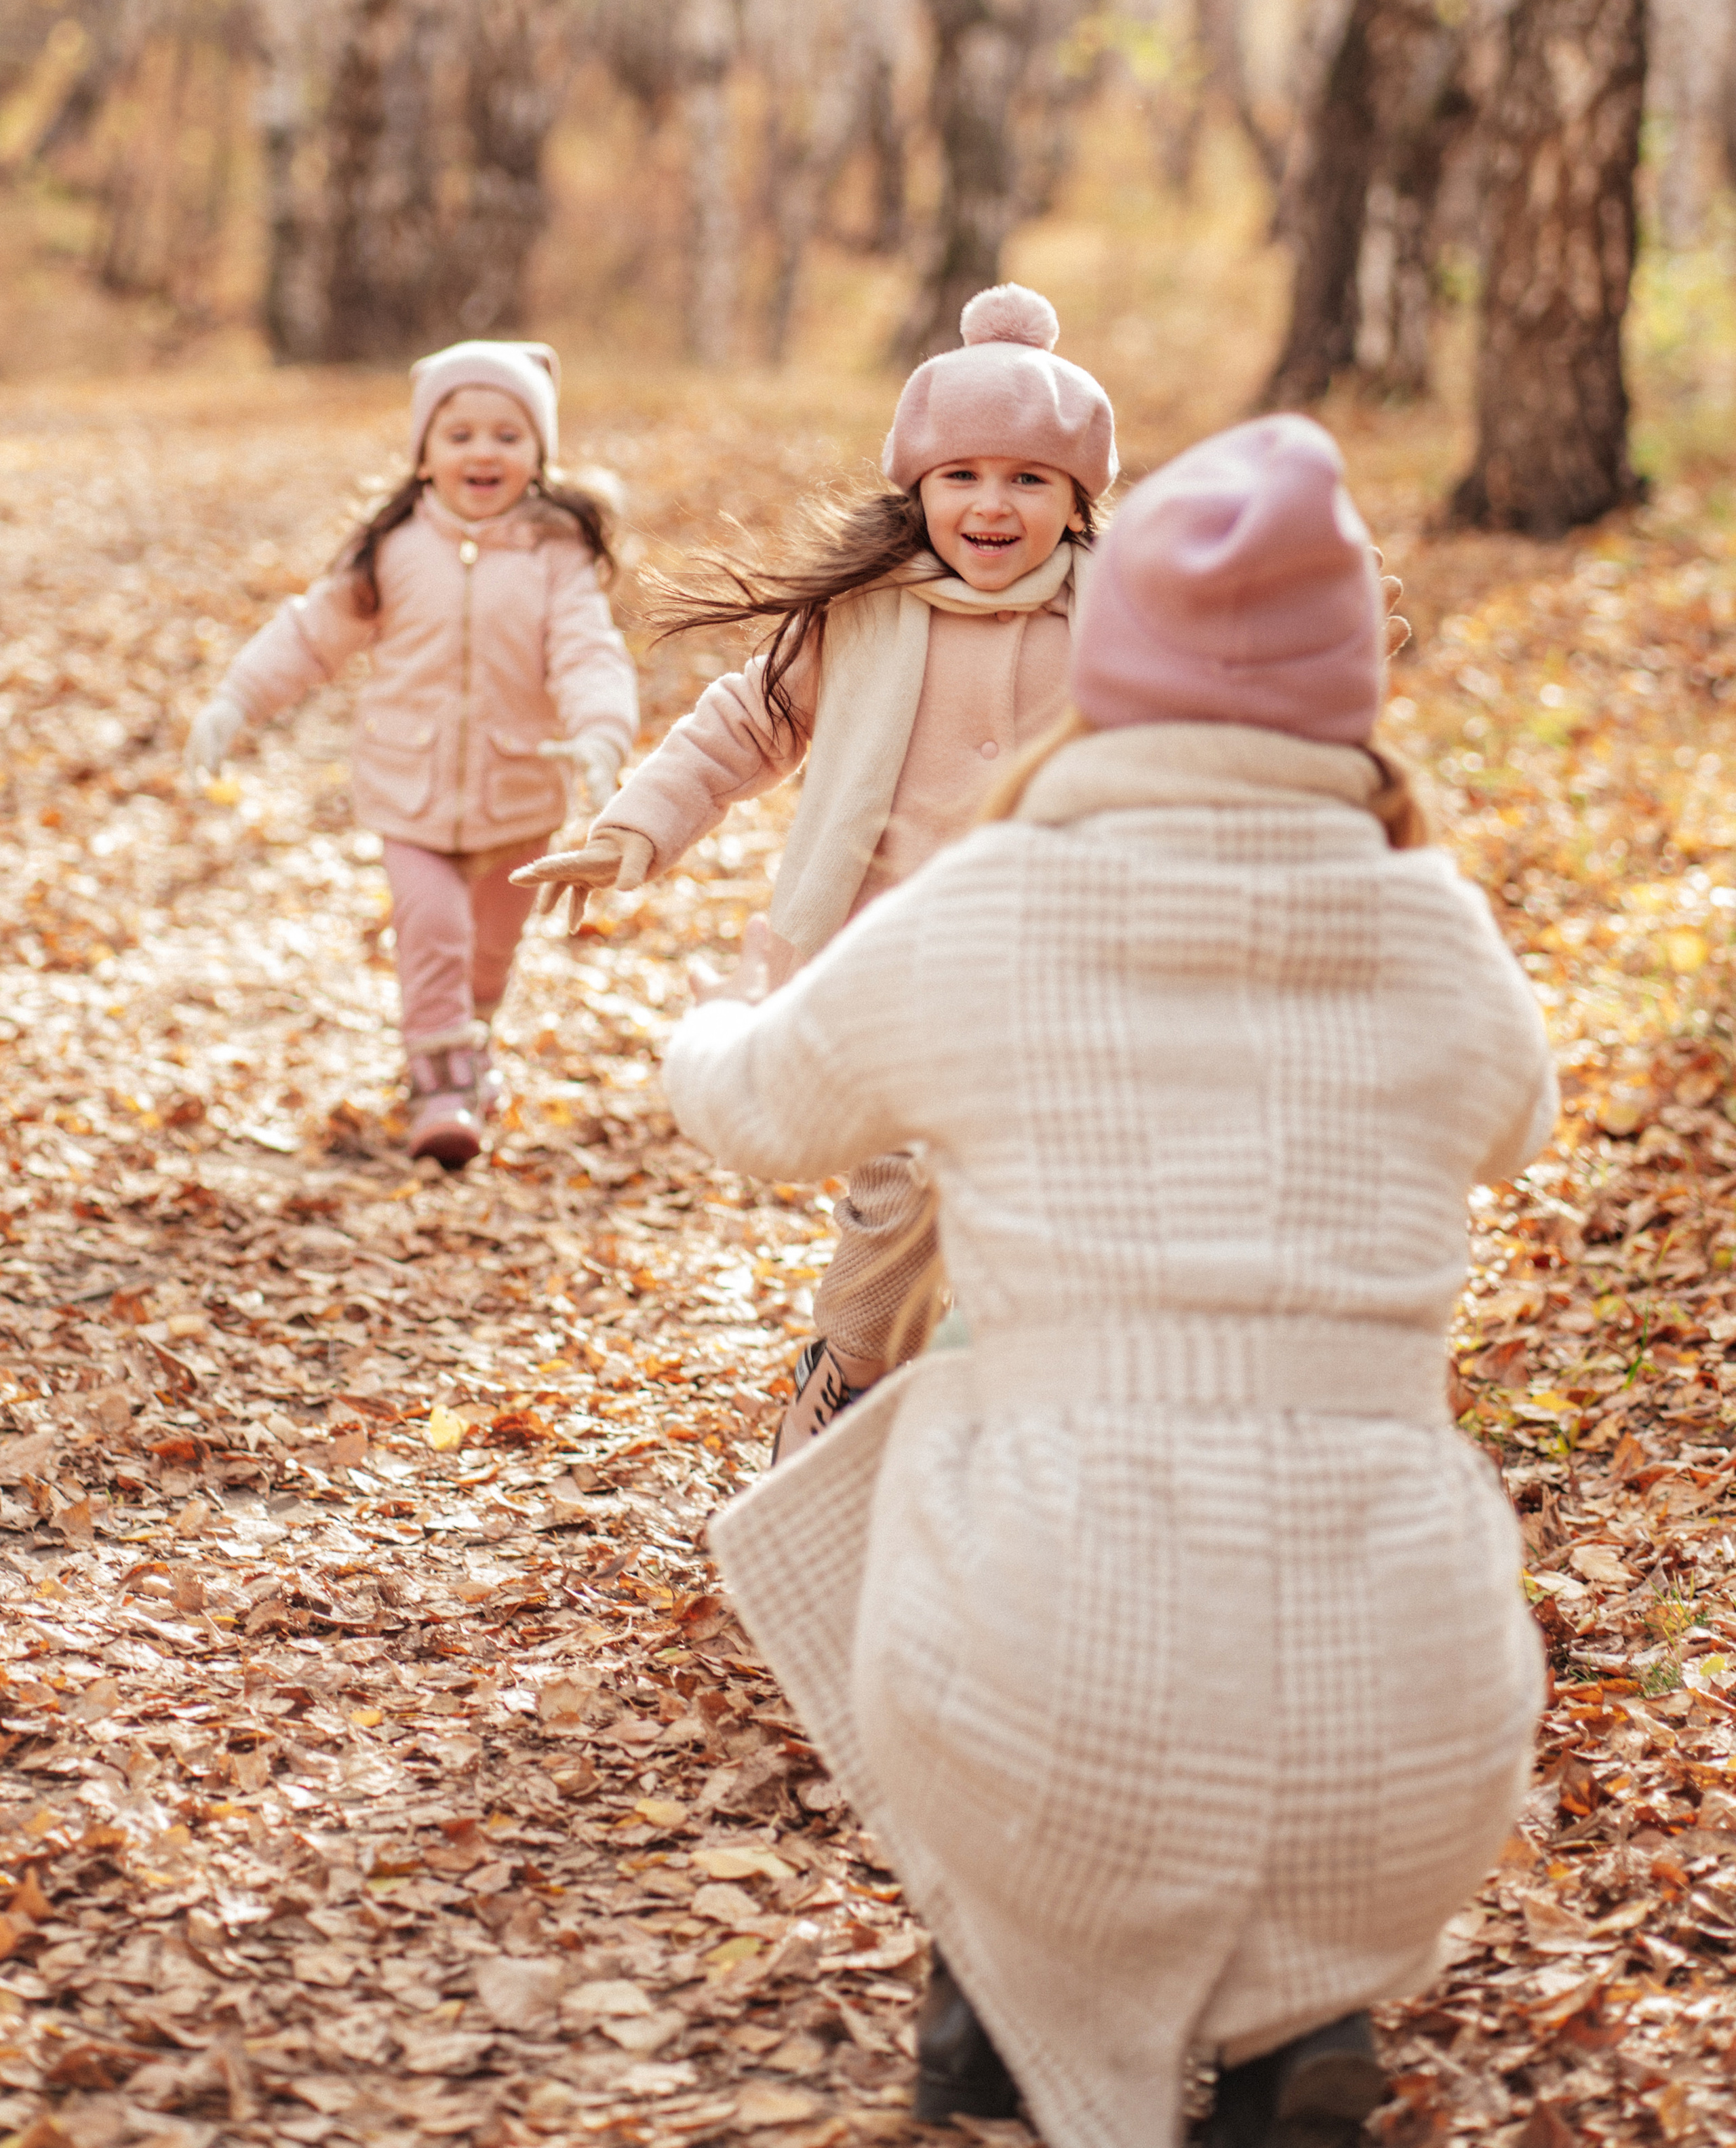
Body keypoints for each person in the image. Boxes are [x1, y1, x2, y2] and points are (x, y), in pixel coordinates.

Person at [659, 414, 1554, 2148]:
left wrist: (703, 1014)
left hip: (1059, 1659)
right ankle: (1301, 2010)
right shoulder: (1426, 921)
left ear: (1106, 656)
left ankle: (993, 1978)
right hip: (1415, 1705)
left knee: (911, 1458)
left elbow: (761, 1107)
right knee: (1270, 1641)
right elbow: (1514, 1120)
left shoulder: (1000, 900)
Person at [515, 282, 1117, 1453]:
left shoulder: (1127, 617)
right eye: (964, 476)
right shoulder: (863, 615)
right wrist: (636, 827)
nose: (993, 505)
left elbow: (1243, 693)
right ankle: (844, 1395)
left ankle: (1003, 1436)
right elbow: (745, 724)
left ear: (1077, 498)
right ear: (920, 488)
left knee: (1043, 1222)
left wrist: (1340, 639)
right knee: (896, 1214)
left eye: (1029, 480)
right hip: (884, 973)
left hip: (1067, 982)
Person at [184, 340, 637, 1168]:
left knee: (492, 952)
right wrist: (234, 702)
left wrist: (602, 732)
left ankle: (472, 1045)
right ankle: (440, 1084)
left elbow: (587, 652)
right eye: (459, 434)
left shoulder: (555, 555)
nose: (483, 452)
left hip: (521, 789)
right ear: (424, 454)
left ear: (539, 454)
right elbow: (310, 635)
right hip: (410, 791)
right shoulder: (390, 548)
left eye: (508, 435)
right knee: (431, 929)